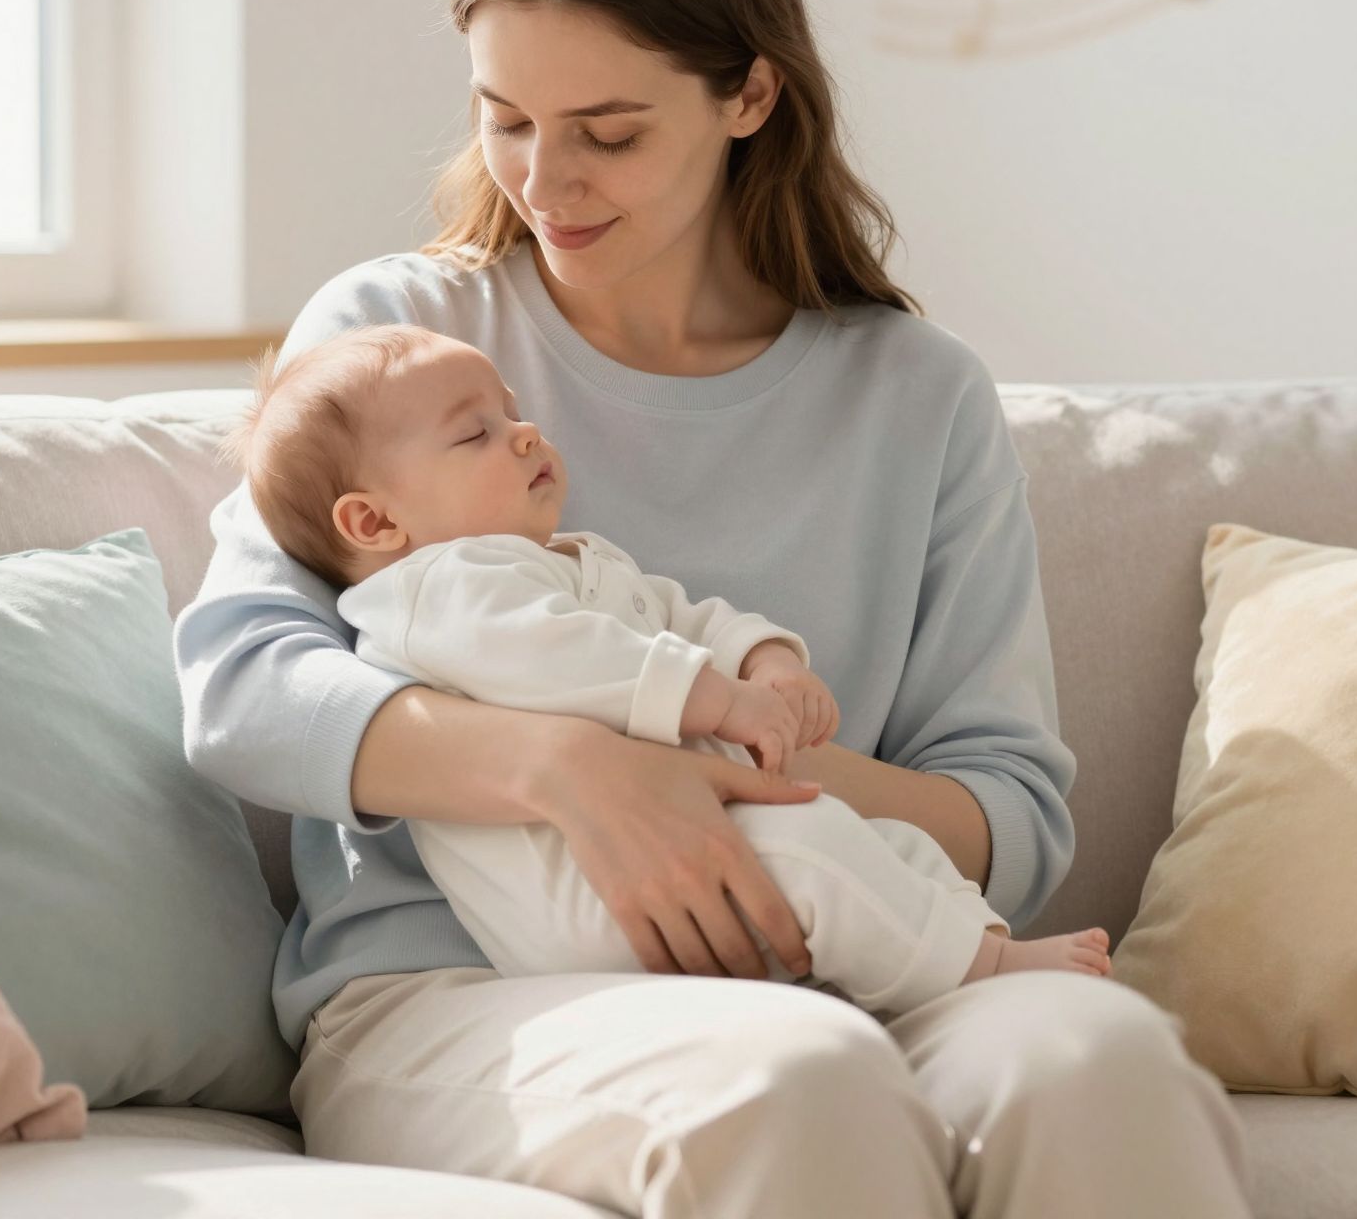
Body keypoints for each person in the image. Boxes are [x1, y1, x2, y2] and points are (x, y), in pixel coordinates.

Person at [175, 0, 1250, 1217]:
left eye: (608, 133)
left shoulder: (915, 396)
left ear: (748, 96)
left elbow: (1011, 814)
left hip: (860, 957)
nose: (543, 183)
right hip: (460, 988)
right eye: (507, 118)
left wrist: (727, 786)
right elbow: (242, 689)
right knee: (794, 1086)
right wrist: (572, 772)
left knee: (1104, 1062)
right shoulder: (399, 340)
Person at [219, 320, 1117, 1017]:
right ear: (374, 524)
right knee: (818, 849)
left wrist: (765, 662)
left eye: (513, 411)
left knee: (878, 843)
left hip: (682, 849)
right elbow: (561, 656)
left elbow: (684, 615)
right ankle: (983, 967)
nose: (526, 435)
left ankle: (968, 947)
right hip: (581, 899)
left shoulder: (572, 559)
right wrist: (716, 700)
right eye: (476, 435)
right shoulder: (433, 593)